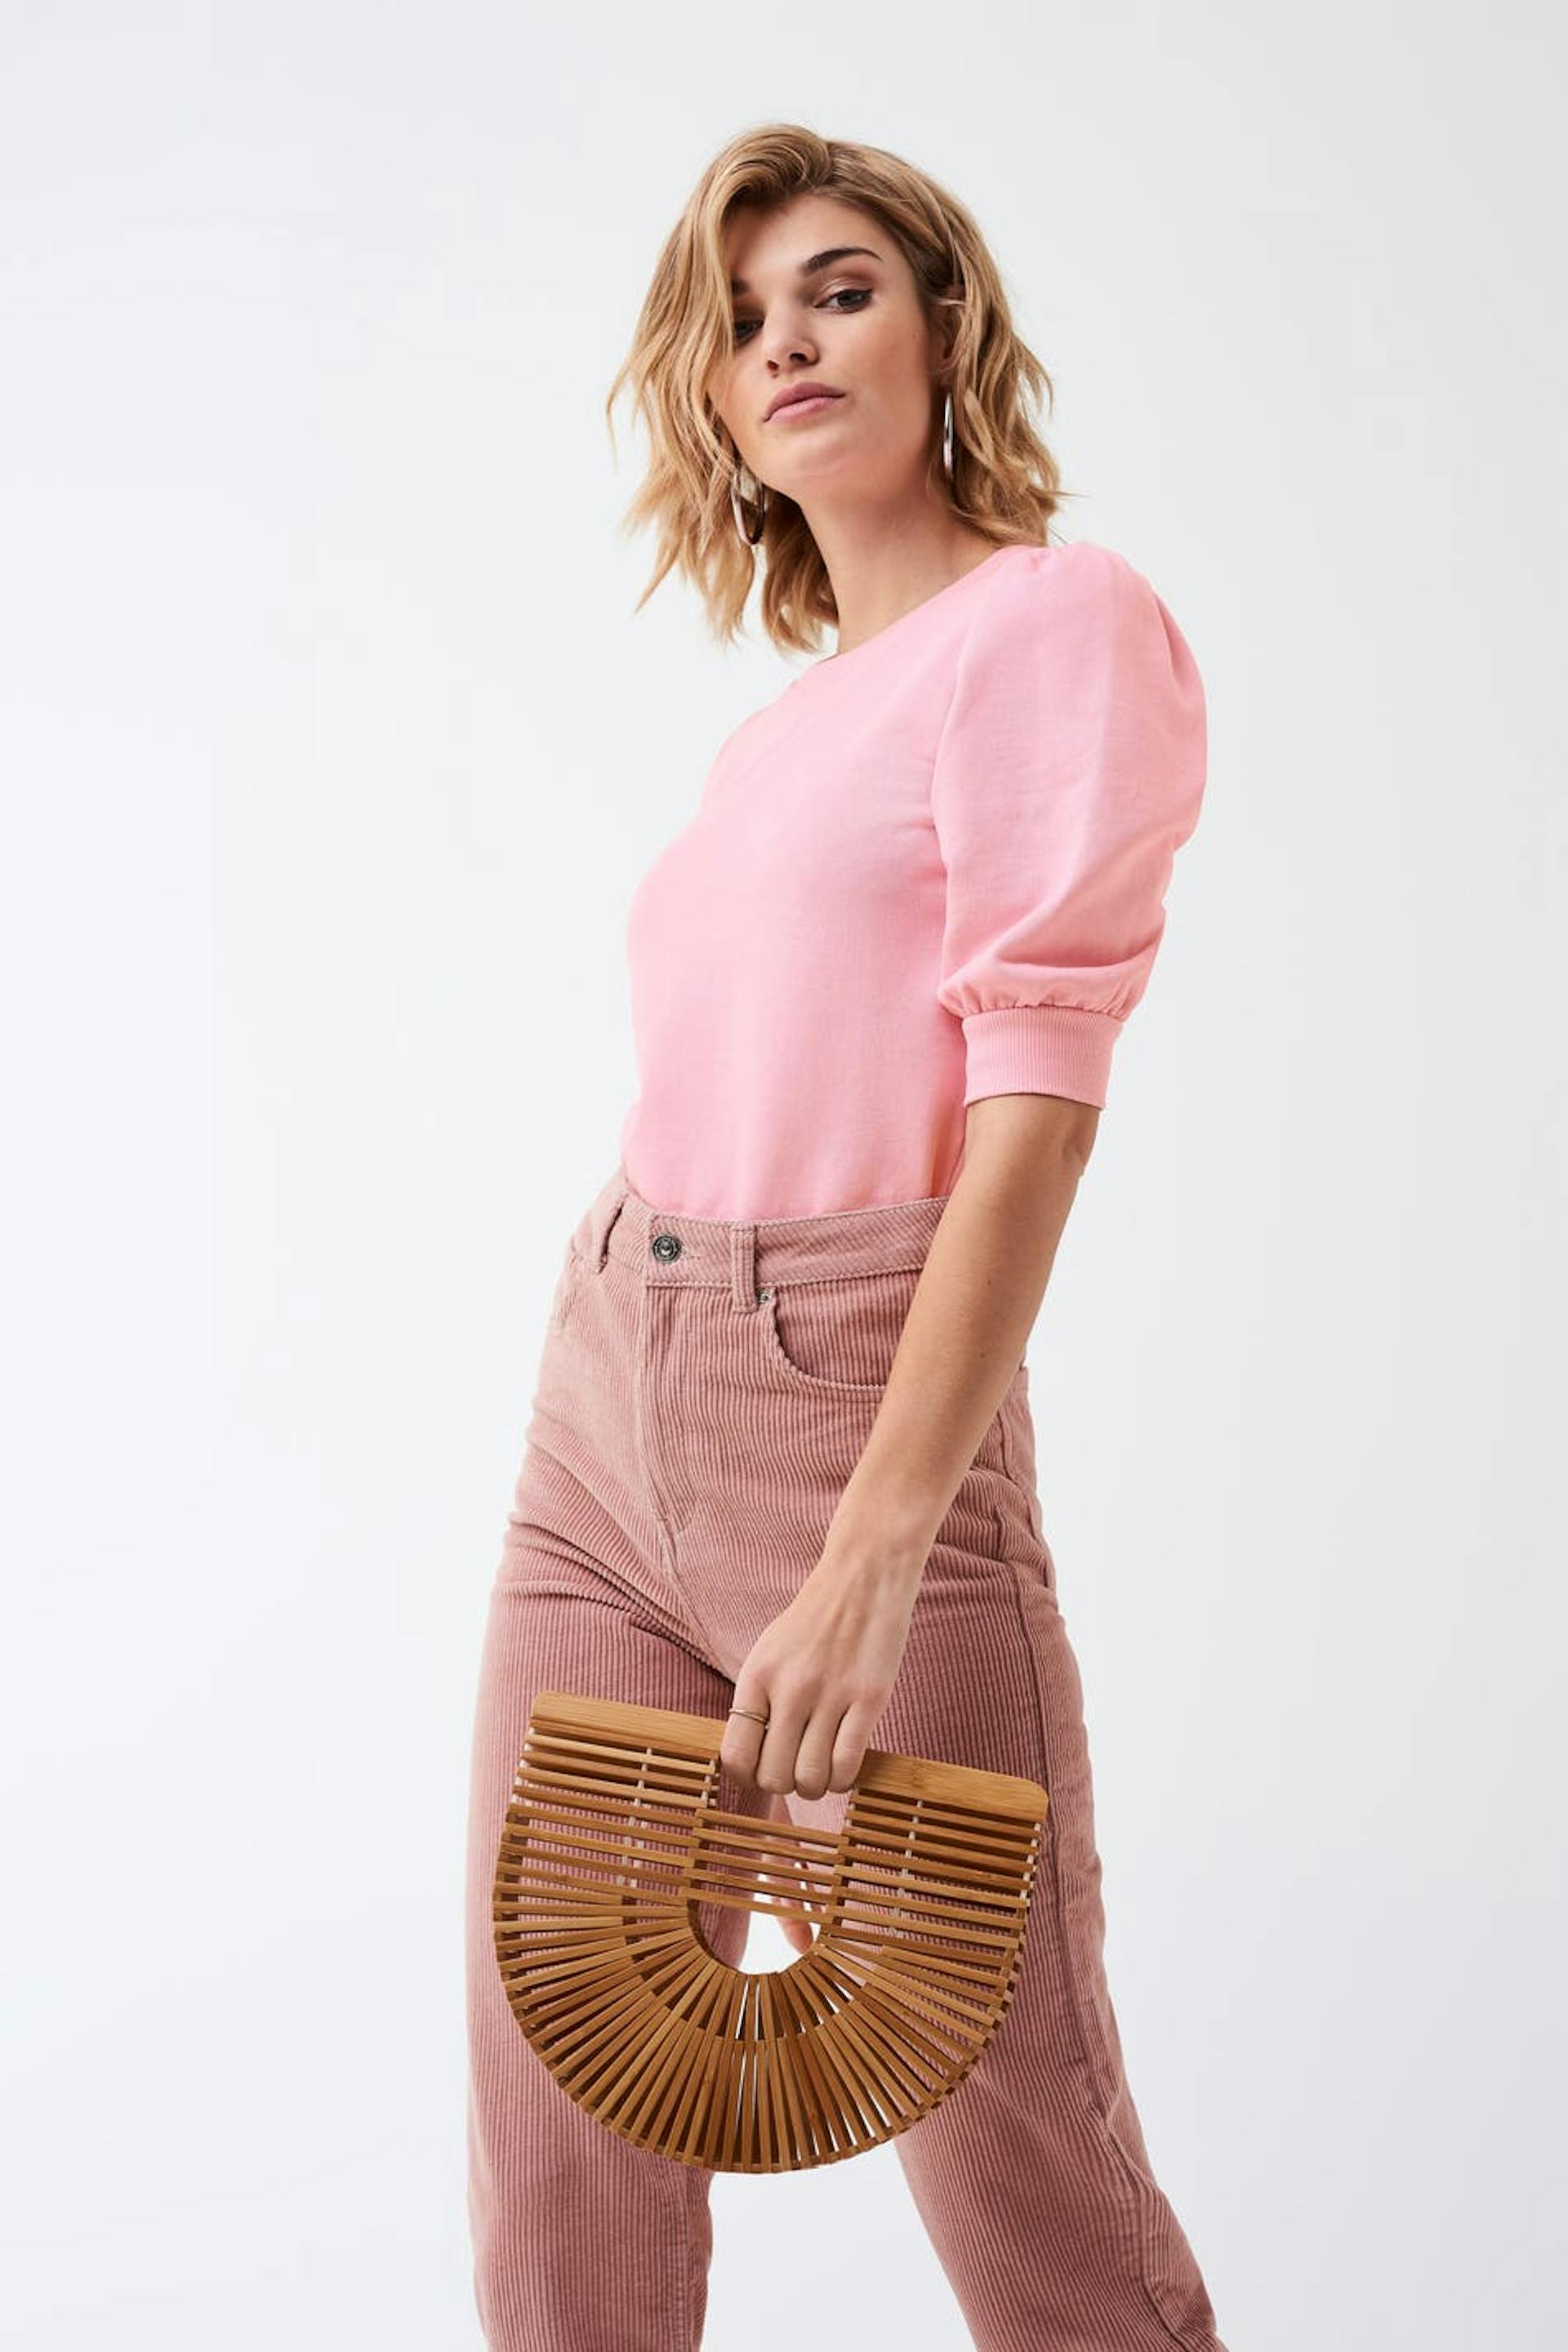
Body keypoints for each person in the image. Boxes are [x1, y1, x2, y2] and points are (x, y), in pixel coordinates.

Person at [465, 123, 1230, 2352]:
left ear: (946, 325)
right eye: (741, 322)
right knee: (561, 2114)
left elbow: (1034, 1115)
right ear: (712, 402)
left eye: (840, 288)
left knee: (1011, 2135)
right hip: (605, 1410)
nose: (786, 342)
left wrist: (884, 1540)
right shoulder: (782, 730)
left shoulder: (1056, 624)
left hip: (853, 1406)